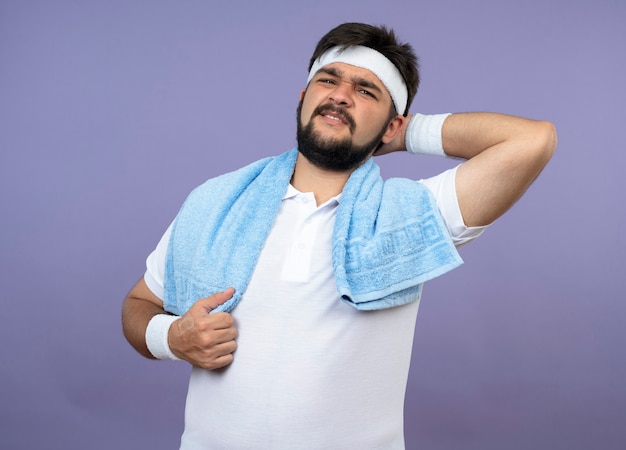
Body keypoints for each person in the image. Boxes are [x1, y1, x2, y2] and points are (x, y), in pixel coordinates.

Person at [122, 22, 556, 449]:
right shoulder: (217, 202)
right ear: (303, 96)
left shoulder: (411, 216)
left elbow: (532, 140)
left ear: (392, 125)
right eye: (327, 80)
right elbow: (139, 305)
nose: (340, 95)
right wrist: (171, 338)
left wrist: (408, 133)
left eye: (366, 91)